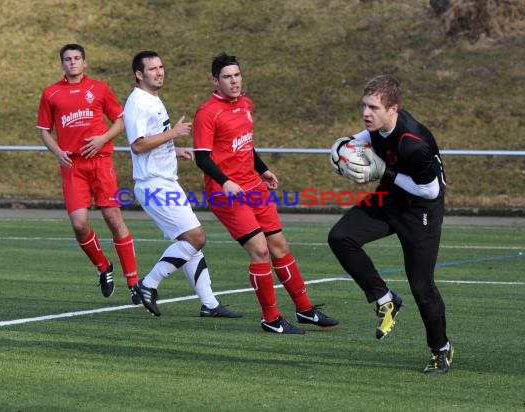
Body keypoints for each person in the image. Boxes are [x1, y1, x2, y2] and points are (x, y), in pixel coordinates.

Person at [192, 52, 339, 334]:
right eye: (227, 77)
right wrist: (224, 182)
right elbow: (202, 157)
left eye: (237, 75)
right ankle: (271, 319)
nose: (234, 81)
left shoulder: (246, 104)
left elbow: (244, 146)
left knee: (279, 247)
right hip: (227, 194)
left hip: (254, 186)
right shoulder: (207, 113)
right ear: (215, 80)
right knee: (260, 250)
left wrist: (263, 169)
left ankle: (305, 310)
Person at [328, 74, 454, 373]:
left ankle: (441, 349)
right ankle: (386, 299)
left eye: (373, 108)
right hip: (390, 200)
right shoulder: (377, 128)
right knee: (340, 237)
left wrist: (384, 173)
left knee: (422, 288)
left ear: (393, 109)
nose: (366, 113)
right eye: (364, 106)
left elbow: (431, 191)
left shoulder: (415, 143)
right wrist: (343, 148)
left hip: (420, 211)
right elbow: (366, 138)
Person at [123, 50, 241, 319]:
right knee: (196, 237)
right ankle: (148, 284)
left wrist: (173, 149)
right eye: (152, 69)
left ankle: (209, 304)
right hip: (154, 185)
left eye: (161, 67)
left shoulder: (152, 98)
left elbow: (150, 140)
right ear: (139, 74)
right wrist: (173, 134)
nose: (159, 72)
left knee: (189, 241)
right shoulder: (137, 103)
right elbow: (138, 144)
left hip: (165, 181)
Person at [36, 43, 140, 304]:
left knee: (113, 219)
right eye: (68, 59)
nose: (72, 62)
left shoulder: (100, 89)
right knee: (79, 224)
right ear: (62, 64)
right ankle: (104, 266)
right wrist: (58, 151)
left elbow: (120, 120)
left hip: (101, 162)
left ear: (85, 63)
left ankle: (133, 281)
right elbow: (44, 130)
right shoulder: (51, 93)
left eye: (77, 58)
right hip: (72, 166)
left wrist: (102, 138)